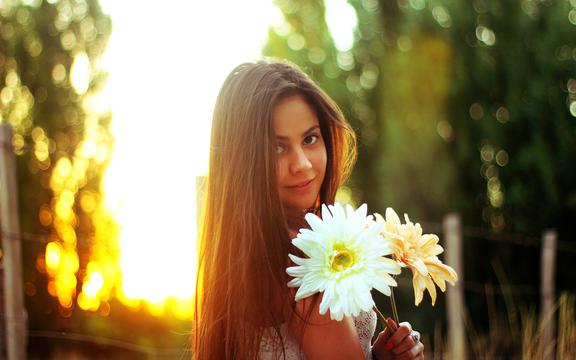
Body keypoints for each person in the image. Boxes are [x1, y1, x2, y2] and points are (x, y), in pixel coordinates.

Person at [193, 58, 425, 360]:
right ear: (243, 161)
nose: (301, 164)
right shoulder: (308, 262)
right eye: (277, 147)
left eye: (310, 138)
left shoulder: (236, 259)